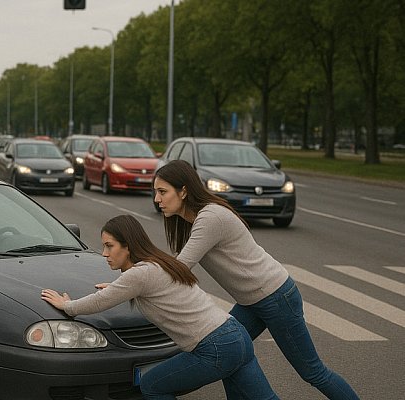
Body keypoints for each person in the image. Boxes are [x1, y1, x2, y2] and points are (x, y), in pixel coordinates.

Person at [152, 159, 359, 400]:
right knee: (231, 356)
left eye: (162, 192)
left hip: (276, 297)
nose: (157, 199)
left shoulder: (210, 218)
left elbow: (180, 268)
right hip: (251, 301)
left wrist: (137, 278)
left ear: (184, 191)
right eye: (156, 192)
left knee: (313, 372)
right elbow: (176, 265)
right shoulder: (191, 222)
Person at [41, 215, 278, 400]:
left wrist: (67, 306)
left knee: (152, 385)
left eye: (109, 246)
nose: (104, 253)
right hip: (236, 335)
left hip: (214, 347)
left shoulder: (139, 275)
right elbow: (148, 287)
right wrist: (117, 287)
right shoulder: (159, 263)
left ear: (127, 246)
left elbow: (99, 302)